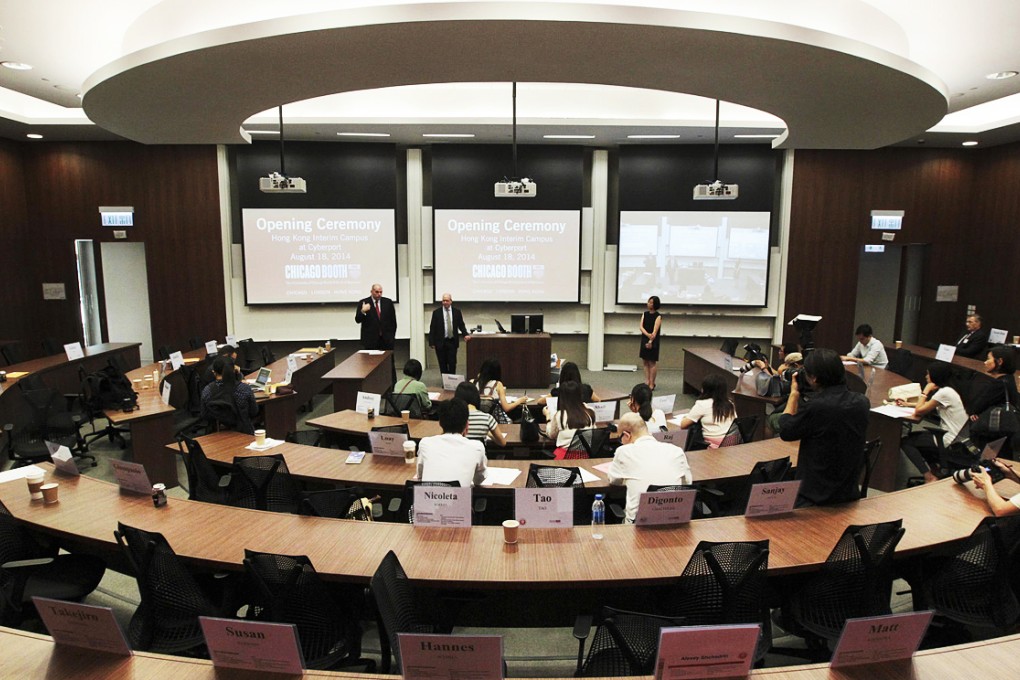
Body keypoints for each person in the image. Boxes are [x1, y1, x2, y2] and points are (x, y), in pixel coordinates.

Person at [778, 348, 870, 507]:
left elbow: (786, 431)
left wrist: (794, 394)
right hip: (848, 493)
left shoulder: (818, 406)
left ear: (813, 378)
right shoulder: (862, 402)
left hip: (814, 498)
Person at [608, 413, 693, 523]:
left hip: (638, 526)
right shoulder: (676, 450)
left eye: (620, 439)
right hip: (673, 522)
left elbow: (614, 480)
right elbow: (688, 482)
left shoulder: (624, 451)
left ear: (626, 435)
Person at [898, 361, 967, 482]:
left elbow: (919, 411)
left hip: (949, 439)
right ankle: (935, 471)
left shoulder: (944, 393)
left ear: (936, 376)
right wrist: (907, 404)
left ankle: (929, 476)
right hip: (959, 438)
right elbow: (930, 405)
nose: (926, 377)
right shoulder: (951, 389)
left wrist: (926, 391)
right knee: (920, 439)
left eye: (928, 374)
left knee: (905, 441)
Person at [416, 398, 488, 488]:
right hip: (459, 501)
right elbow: (479, 480)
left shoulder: (425, 443)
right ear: (467, 424)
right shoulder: (477, 447)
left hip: (426, 500)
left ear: (440, 423)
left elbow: (420, 477)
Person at [967, 346, 1019, 455]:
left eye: (988, 359)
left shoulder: (999, 384)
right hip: (1003, 435)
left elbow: (977, 406)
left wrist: (974, 412)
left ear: (999, 361)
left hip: (992, 436)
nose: (985, 362)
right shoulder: (1009, 380)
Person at [200, 356, 259, 435]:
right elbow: (253, 412)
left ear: (214, 372)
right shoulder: (244, 388)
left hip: (218, 435)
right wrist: (239, 375)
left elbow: (204, 415)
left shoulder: (207, 391)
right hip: (244, 432)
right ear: (234, 370)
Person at [679, 374, 736, 448]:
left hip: (713, 443)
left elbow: (683, 425)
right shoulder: (730, 404)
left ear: (705, 389)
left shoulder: (702, 404)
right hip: (731, 441)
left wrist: (685, 417)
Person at [545, 380, 596, 459]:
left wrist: (548, 417)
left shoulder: (560, 415)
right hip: (586, 455)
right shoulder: (590, 411)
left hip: (565, 456)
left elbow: (551, 435)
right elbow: (594, 432)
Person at [472, 358, 528, 423]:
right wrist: (519, 401)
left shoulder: (472, 382)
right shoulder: (497, 384)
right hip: (494, 421)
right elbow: (506, 408)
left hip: (476, 419)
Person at [429, 293, 470, 375]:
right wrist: (431, 342)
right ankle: (445, 382)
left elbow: (461, 325)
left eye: (447, 300)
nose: (445, 302)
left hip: (452, 342)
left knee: (452, 363)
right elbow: (432, 328)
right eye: (443, 300)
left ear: (451, 301)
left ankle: (452, 381)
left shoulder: (456, 312)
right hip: (440, 342)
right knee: (442, 363)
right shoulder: (436, 313)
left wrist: (465, 334)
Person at [456, 381, 507, 447]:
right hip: (479, 456)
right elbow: (503, 443)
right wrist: (489, 434)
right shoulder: (487, 418)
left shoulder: (453, 418)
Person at [354, 283, 397, 350]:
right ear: (371, 292)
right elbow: (357, 320)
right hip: (370, 341)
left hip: (387, 340)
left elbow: (393, 321)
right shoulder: (364, 302)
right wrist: (363, 311)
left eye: (380, 292)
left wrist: (392, 337)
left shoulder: (388, 302)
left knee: (388, 360)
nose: (379, 294)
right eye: (377, 292)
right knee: (371, 360)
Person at [639, 295, 662, 389]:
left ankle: (652, 383)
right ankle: (647, 380)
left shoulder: (658, 316)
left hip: (653, 340)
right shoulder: (645, 314)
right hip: (644, 338)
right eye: (649, 301)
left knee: (652, 362)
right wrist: (647, 335)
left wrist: (650, 340)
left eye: (651, 302)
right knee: (645, 361)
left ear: (655, 304)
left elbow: (655, 331)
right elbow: (641, 326)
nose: (649, 303)